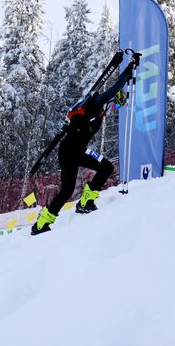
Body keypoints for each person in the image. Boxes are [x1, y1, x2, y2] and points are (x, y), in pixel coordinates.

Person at [31, 53, 140, 235]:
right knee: (73, 186)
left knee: (100, 171)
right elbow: (113, 90)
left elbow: (113, 98)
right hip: (69, 151)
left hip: (74, 151)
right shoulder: (94, 105)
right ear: (115, 100)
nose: (117, 107)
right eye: (119, 104)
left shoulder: (101, 112)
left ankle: (54, 218)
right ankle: (58, 215)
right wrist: (129, 69)